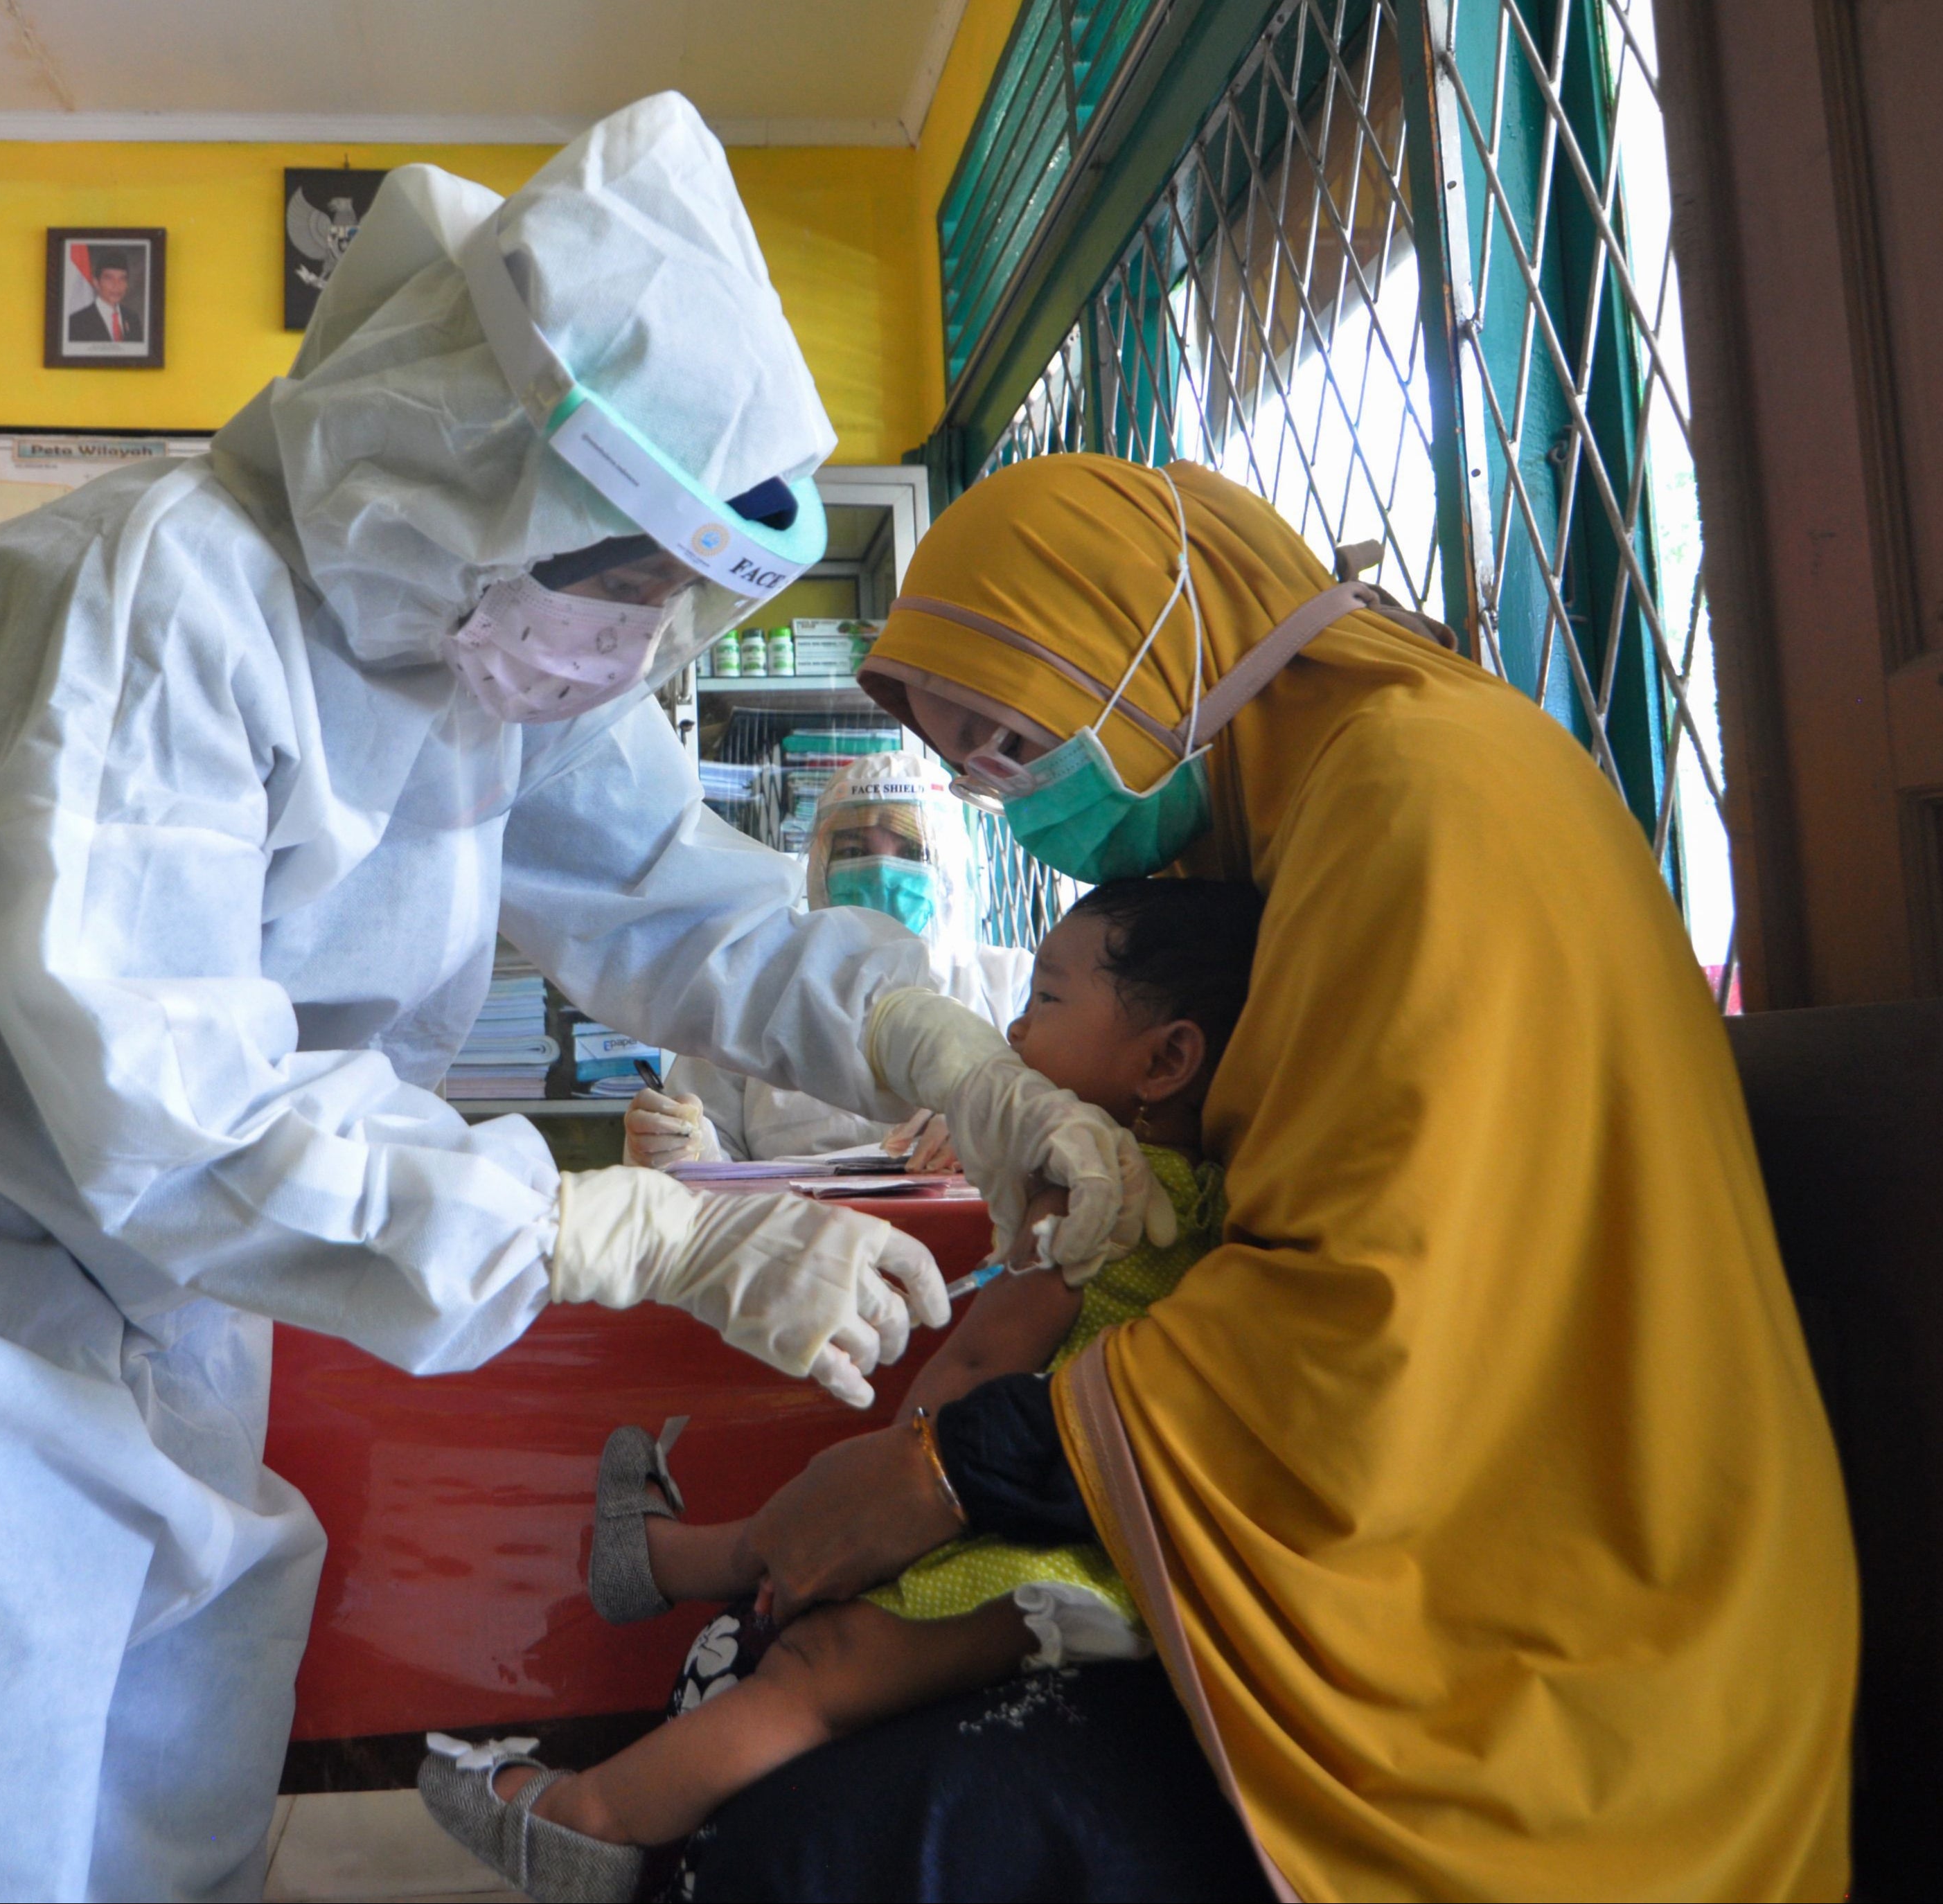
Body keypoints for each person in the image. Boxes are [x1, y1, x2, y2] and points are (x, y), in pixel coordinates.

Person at [0, 98, 1156, 1903]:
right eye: (620, 579)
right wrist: (625, 1226)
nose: (630, 645)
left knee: (162, 1797)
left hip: (168, 1304)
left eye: (670, 606)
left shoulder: (484, 647)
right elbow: (171, 1092)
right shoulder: (158, 604)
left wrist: (955, 1061)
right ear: (469, 453)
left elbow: (674, 899)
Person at [705, 454, 1858, 1901]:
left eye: (1010, 743)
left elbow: (1373, 1313)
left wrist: (948, 1472)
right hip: (1418, 1532)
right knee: (799, 1706)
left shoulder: (1419, 795)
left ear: (1152, 647)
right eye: (964, 765)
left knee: (837, 1831)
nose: (1000, 803)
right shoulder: (1283, 825)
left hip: (1563, 1628)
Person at [418, 879, 1263, 1902]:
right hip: (1096, 1553)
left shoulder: (1087, 1195)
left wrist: (889, 1490)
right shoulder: (1204, 1198)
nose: (1008, 1025)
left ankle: (586, 1819)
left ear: (1167, 1058)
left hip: (1030, 1555)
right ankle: (656, 1559)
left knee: (816, 1672)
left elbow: (976, 1375)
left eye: (1044, 999)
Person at [621, 750, 1030, 1168]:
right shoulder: (754, 983)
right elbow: (703, 1151)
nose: (882, 871)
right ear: (820, 866)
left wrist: (991, 1124)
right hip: (794, 1229)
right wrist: (686, 1146)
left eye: (911, 851)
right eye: (854, 852)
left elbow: (1067, 1128)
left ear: (950, 868)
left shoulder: (1014, 983)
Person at [66, 251, 141, 344]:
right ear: (96, 283)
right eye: (109, 278)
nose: (116, 285)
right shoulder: (77, 322)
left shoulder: (133, 318)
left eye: (122, 279)